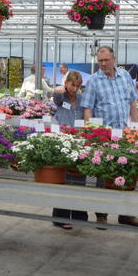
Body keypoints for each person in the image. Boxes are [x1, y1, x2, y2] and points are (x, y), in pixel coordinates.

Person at [81, 46, 138, 228]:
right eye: (100, 61)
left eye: (106, 60)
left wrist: (135, 128)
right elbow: (88, 108)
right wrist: (92, 133)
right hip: (104, 136)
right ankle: (102, 215)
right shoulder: (94, 80)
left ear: (114, 59)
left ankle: (126, 214)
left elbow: (132, 102)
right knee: (103, 175)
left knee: (127, 172)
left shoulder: (125, 76)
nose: (103, 63)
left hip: (124, 133)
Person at [51, 71, 88, 230]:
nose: (74, 89)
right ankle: (61, 217)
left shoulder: (81, 98)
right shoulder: (61, 97)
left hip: (79, 139)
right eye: (72, 85)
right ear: (66, 83)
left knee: (79, 177)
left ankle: (80, 216)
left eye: (77, 86)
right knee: (64, 179)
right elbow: (56, 97)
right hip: (63, 139)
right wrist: (60, 89)